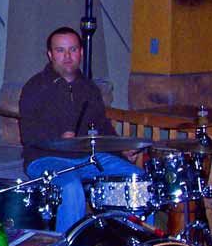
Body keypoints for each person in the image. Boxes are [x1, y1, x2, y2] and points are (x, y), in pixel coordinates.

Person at [19, 26, 141, 233]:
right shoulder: (35, 87)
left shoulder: (89, 88)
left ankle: (130, 245)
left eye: (73, 49)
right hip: (45, 159)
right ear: (50, 54)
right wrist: (59, 140)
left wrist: (121, 150)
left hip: (86, 158)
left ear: (81, 52)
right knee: (71, 187)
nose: (67, 56)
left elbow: (102, 126)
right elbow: (29, 135)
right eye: (60, 50)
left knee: (136, 179)